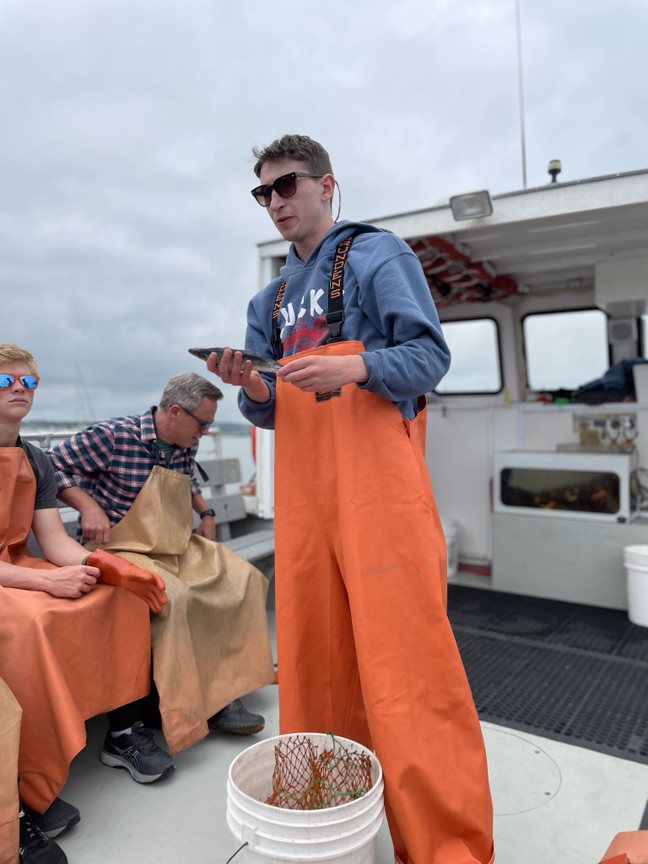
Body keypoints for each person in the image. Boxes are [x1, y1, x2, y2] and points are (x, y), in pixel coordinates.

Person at [206, 135, 494, 864]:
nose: (275, 202)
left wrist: (357, 366)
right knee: (312, 660)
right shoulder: (264, 299)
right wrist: (250, 385)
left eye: (287, 186)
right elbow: (268, 411)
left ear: (326, 186)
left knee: (407, 664)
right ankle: (329, 820)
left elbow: (428, 357)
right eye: (263, 193)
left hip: (378, 496)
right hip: (304, 500)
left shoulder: (375, 255)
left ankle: (444, 844)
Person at [47, 372, 274, 768]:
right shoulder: (114, 435)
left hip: (172, 544)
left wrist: (206, 512)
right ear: (174, 411)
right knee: (177, 597)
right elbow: (50, 467)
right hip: (122, 545)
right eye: (203, 423)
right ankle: (186, 709)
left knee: (243, 578)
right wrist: (87, 505)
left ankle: (220, 694)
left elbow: (190, 481)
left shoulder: (183, 442)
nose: (206, 432)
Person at [0, 343, 166, 864]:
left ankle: (122, 730)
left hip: (20, 565)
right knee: (30, 627)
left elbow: (53, 543)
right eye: (6, 382)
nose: (20, 390)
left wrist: (102, 568)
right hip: (11, 582)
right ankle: (30, 782)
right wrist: (47, 586)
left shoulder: (35, 458)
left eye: (29, 382)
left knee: (114, 602)